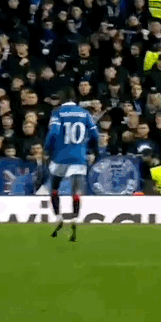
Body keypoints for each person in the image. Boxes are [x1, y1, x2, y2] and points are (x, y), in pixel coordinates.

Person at [43, 87, 98, 242]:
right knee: (76, 190)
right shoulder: (84, 113)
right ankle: (75, 219)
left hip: (60, 157)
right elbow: (95, 134)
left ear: (61, 99)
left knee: (55, 188)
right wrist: (92, 150)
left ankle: (58, 217)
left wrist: (47, 149)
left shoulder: (58, 113)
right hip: (79, 156)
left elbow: (53, 132)